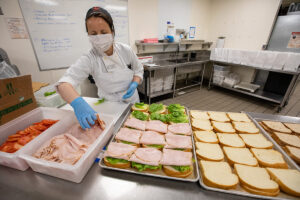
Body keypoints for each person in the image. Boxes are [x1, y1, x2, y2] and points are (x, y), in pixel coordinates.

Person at [57, 7, 143, 129]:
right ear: (88, 35)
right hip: (109, 105)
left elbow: (138, 69)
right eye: (93, 34)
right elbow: (63, 84)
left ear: (112, 31)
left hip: (132, 101)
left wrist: (135, 83)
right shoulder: (89, 58)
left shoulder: (126, 50)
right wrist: (78, 103)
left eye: (103, 32)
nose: (99, 37)